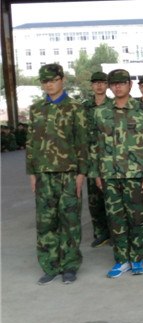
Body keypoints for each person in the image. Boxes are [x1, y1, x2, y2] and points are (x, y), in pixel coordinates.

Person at [89, 69, 143, 277]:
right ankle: (121, 260)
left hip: (135, 174)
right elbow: (94, 145)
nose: (117, 87)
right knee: (115, 219)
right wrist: (96, 173)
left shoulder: (142, 111)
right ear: (110, 86)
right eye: (114, 84)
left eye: (122, 83)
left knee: (136, 218)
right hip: (109, 175)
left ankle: (137, 258)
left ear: (130, 85)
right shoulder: (100, 112)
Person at [26, 64, 88, 285]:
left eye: (53, 80)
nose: (49, 85)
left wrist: (81, 173)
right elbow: (31, 142)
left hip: (68, 174)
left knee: (70, 220)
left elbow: (82, 142)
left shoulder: (75, 108)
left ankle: (69, 265)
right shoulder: (36, 109)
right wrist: (31, 172)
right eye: (45, 81)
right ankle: (50, 265)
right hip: (43, 174)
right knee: (45, 222)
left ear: (62, 80)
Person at [82, 71, 111, 248]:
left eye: (102, 82)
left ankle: (115, 232)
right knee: (94, 199)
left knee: (112, 198)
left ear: (107, 85)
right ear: (91, 85)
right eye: (96, 83)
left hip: (110, 157)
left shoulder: (113, 105)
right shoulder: (84, 107)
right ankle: (100, 233)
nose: (99, 86)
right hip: (91, 159)